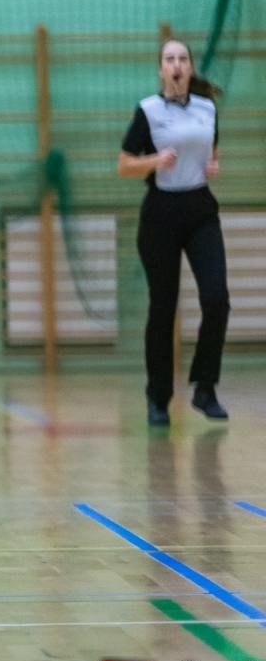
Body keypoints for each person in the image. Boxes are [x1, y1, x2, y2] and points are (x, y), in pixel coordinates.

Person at [118, 38, 229, 426]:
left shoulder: (207, 108)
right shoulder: (148, 111)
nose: (177, 64)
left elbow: (210, 150)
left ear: (190, 67)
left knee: (216, 298)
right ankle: (158, 398)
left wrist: (212, 165)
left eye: (183, 58)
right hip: (160, 216)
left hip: (200, 210)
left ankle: (204, 387)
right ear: (161, 69)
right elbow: (123, 164)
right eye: (170, 59)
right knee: (163, 308)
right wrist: (154, 160)